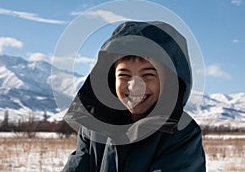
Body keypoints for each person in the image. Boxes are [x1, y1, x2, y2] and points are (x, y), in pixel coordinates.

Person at [62, 21, 206, 171]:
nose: (135, 86)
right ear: (111, 79)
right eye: (124, 75)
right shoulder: (94, 127)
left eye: (148, 75)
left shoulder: (183, 133)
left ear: (169, 81)